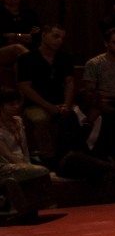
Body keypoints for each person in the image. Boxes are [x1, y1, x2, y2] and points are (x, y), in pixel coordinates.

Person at [15, 24, 77, 157]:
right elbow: (25, 87)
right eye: (56, 36)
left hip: (60, 103)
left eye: (62, 38)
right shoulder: (27, 59)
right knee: (41, 119)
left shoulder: (64, 58)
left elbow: (69, 83)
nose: (59, 40)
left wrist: (66, 104)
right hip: (35, 104)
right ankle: (47, 156)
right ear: (44, 36)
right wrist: (48, 106)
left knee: (75, 116)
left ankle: (70, 155)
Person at [0, 88, 56, 220]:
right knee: (39, 171)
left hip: (22, 162)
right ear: (1, 106)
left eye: (17, 102)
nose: (16, 106)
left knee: (38, 170)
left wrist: (28, 164)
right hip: (4, 166)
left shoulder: (18, 121)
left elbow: (24, 148)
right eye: (11, 104)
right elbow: (8, 154)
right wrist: (26, 167)